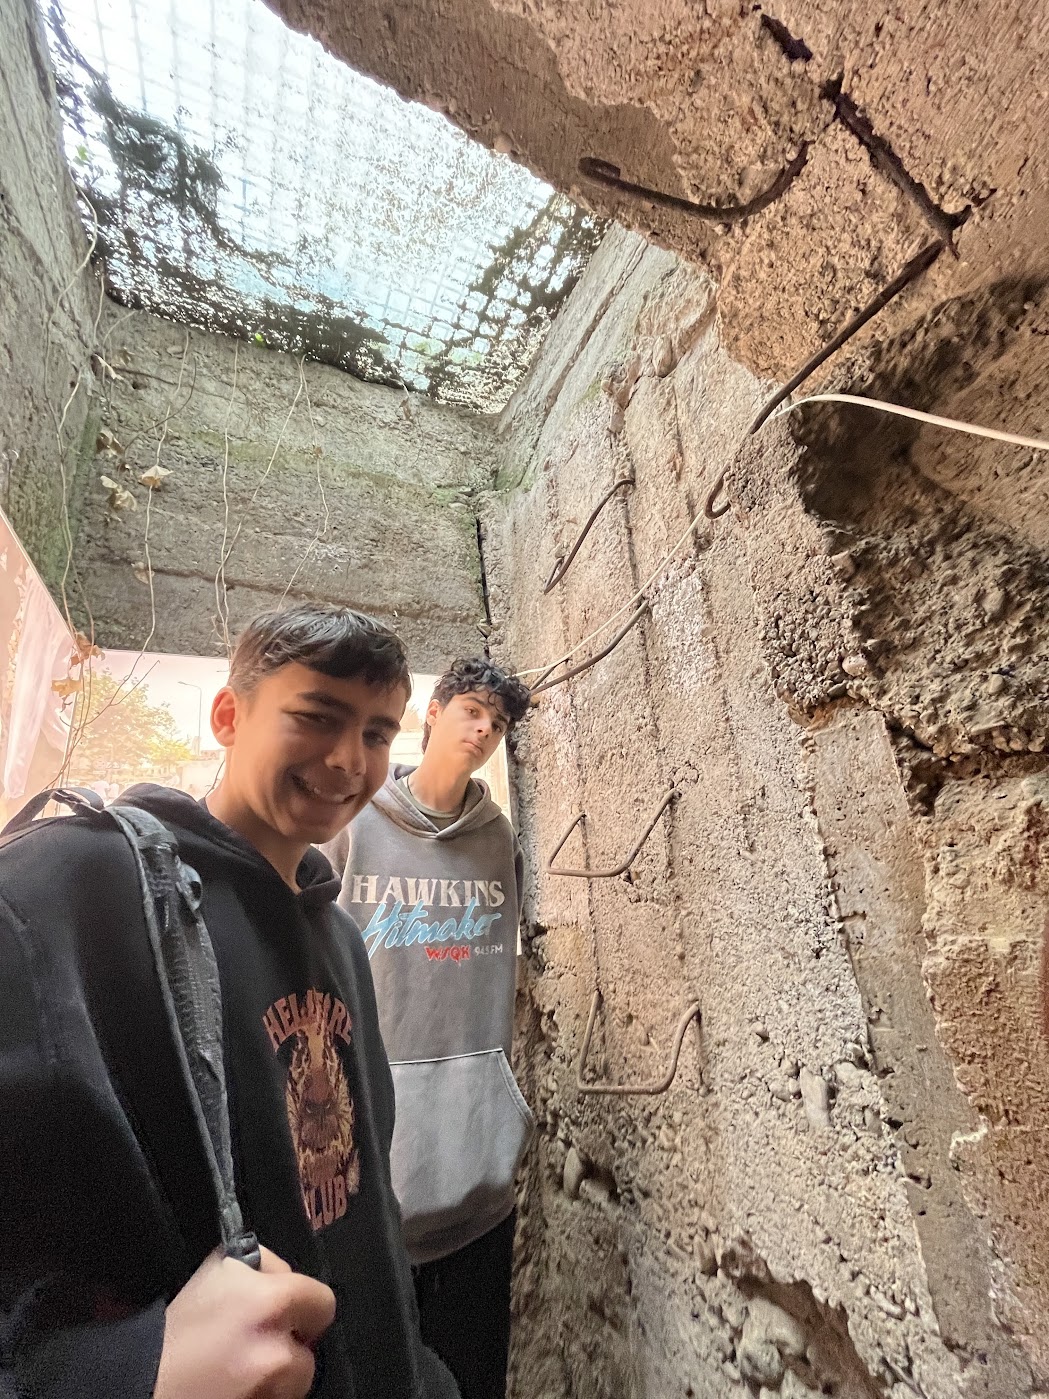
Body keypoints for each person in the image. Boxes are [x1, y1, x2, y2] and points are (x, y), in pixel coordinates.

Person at [0, 603, 458, 1399]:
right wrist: (124, 1370)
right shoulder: (74, 889)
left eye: (378, 733)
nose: (349, 759)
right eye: (317, 716)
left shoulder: (341, 940)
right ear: (228, 716)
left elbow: (361, 1202)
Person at [325, 656, 533, 1399]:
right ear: (433, 713)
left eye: (497, 723)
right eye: (472, 710)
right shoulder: (351, 823)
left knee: (473, 1373)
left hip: (477, 1170)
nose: (483, 729)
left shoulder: (496, 838)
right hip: (368, 1174)